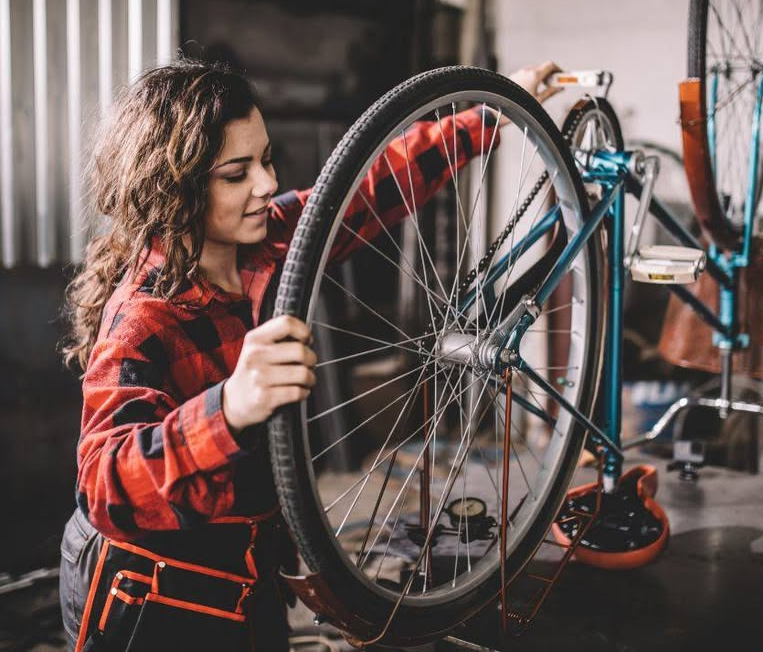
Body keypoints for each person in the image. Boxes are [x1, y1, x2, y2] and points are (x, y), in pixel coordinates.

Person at [58, 58, 561, 651]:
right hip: (150, 595)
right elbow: (106, 484)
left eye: (266, 160)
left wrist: (490, 116)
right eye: (235, 173)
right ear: (177, 187)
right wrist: (230, 407)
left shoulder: (268, 238)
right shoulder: (143, 316)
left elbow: (371, 185)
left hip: (250, 569)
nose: (266, 185)